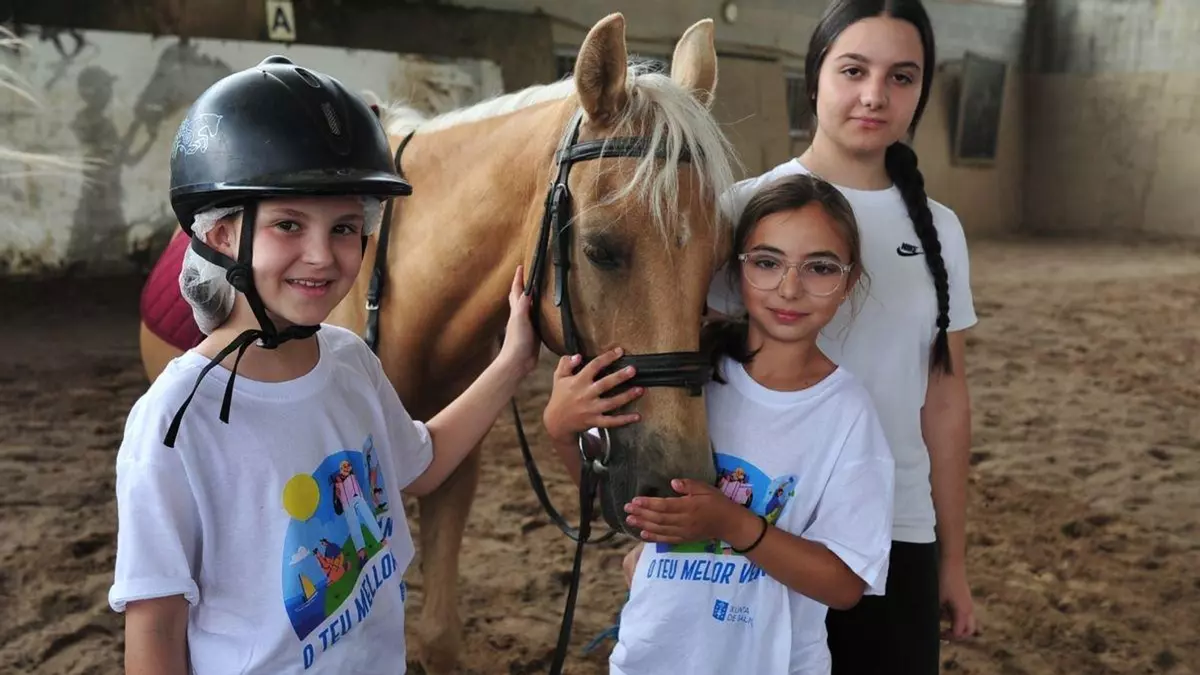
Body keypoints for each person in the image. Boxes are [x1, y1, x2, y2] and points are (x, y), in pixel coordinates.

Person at [107, 56, 539, 675]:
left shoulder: (350, 360)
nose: (322, 255)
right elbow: (154, 630)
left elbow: (420, 464)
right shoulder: (175, 422)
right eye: (288, 224)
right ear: (221, 234)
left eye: (344, 227)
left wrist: (513, 360)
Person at [705, 1, 980, 672]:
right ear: (815, 77)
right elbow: (690, 375)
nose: (875, 95)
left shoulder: (940, 230)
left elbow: (944, 400)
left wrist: (952, 558)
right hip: (760, 519)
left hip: (894, 531)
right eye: (854, 70)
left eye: (902, 77)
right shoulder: (742, 210)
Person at [543, 174, 895, 673]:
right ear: (736, 268)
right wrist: (561, 428)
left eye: (819, 267)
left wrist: (732, 524)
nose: (789, 288)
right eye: (767, 262)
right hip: (649, 659)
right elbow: (621, 507)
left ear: (849, 281)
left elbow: (843, 586)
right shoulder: (686, 381)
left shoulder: (847, 414)